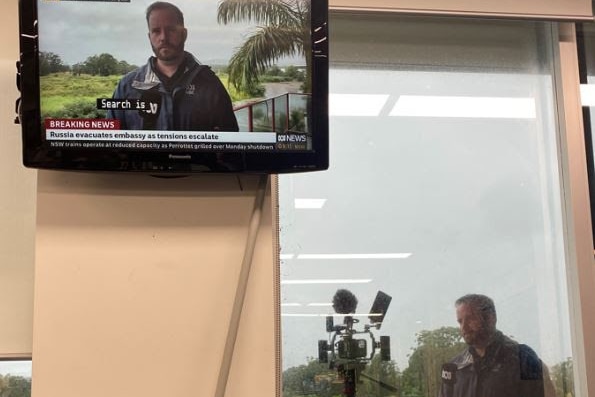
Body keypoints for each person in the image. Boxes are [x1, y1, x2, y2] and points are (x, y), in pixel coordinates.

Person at [107, 1, 239, 132]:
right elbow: (110, 144)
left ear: (184, 34)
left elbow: (231, 143)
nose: (163, 37)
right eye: (156, 31)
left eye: (171, 30)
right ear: (149, 37)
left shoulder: (210, 84)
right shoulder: (126, 87)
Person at [439, 294, 555, 397]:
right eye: (460, 321)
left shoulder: (523, 358)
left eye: (470, 319)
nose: (464, 328)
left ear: (491, 319)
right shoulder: (455, 367)